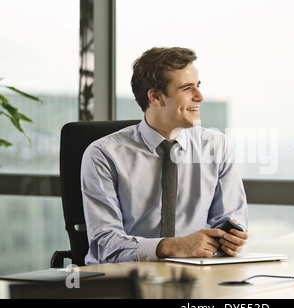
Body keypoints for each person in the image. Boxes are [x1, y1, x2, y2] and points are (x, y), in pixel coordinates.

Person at [81, 47, 248, 264]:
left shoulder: (217, 147)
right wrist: (171, 247)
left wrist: (232, 238)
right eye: (187, 88)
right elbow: (105, 245)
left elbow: (231, 219)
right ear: (156, 97)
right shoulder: (103, 154)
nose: (200, 96)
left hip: (192, 276)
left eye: (198, 86)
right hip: (121, 280)